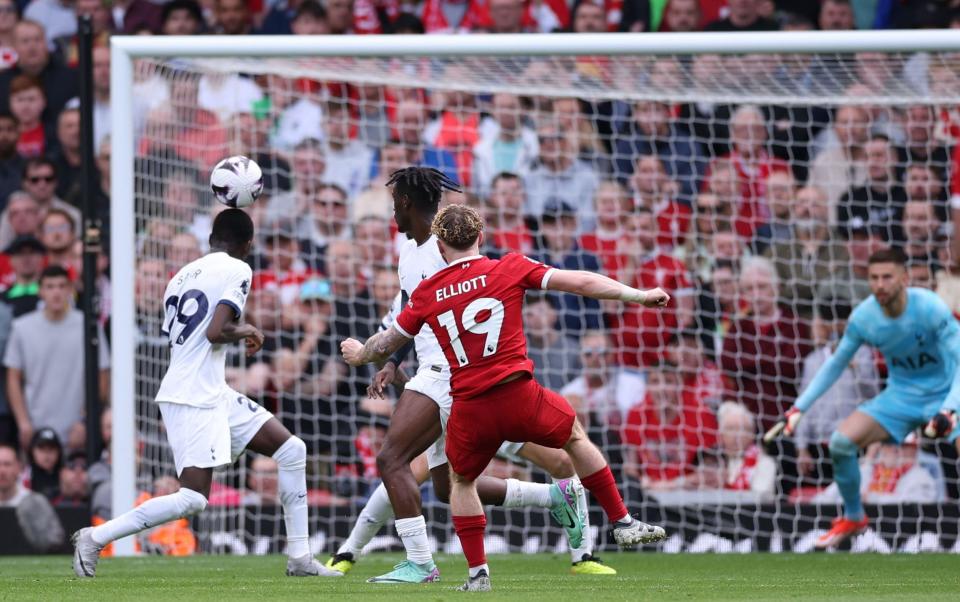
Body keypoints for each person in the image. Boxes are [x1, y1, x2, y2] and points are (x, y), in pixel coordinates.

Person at [341, 203, 670, 591]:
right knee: (575, 438)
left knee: (459, 484)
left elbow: (388, 342)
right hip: (519, 395)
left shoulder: (427, 292)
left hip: (470, 407)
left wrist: (361, 353)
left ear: (441, 248)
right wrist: (638, 296)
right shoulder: (508, 267)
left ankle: (478, 574)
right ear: (481, 237)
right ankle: (621, 521)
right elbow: (580, 282)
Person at [71, 209, 341, 578]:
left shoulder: (180, 276)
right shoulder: (238, 269)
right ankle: (94, 536)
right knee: (193, 498)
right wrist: (247, 330)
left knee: (292, 450)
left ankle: (299, 558)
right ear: (247, 244)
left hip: (211, 389)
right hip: (193, 396)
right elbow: (215, 332)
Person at [767, 248, 960, 550]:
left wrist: (950, 408)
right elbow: (834, 364)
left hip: (946, 392)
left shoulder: (931, 308)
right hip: (901, 397)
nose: (880, 284)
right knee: (841, 443)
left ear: (904, 279)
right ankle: (855, 517)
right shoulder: (864, 317)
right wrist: (798, 408)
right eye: (874, 278)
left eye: (887, 277)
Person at [6, 266, 109, 451]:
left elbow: (102, 376)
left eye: (62, 286)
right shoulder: (22, 328)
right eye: (50, 286)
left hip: (77, 431)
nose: (56, 292)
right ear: (40, 291)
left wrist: (85, 421)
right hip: (35, 429)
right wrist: (23, 422)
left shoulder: (89, 326)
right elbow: (13, 377)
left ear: (70, 289)